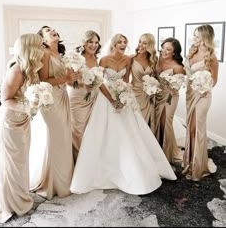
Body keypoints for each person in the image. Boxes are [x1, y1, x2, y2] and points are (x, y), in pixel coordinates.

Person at [70, 33, 176, 196]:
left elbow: (126, 81)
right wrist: (112, 99)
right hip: (106, 98)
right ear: (113, 43)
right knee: (105, 133)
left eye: (125, 42)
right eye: (119, 41)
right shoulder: (103, 60)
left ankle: (135, 168)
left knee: (130, 133)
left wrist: (124, 96)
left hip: (124, 97)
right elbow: (99, 82)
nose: (122, 44)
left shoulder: (128, 59)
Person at [0, 34, 44, 223]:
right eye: (40, 45)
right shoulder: (17, 71)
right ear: (30, 48)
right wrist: (28, 107)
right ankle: (10, 203)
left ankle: (18, 195)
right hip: (9, 121)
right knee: (12, 163)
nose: (43, 48)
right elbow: (5, 100)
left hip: (22, 119)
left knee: (20, 161)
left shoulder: (33, 68)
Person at [29, 25, 78, 200]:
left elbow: (69, 82)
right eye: (48, 30)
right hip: (50, 100)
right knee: (57, 137)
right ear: (42, 38)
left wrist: (74, 78)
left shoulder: (61, 55)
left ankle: (64, 179)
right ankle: (53, 182)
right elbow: (43, 80)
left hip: (63, 97)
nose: (53, 30)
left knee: (65, 137)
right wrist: (66, 79)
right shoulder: (44, 54)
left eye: (54, 29)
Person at [182, 24, 218, 181]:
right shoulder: (192, 52)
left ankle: (198, 167)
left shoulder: (212, 58)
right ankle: (190, 162)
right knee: (190, 129)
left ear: (205, 38)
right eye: (194, 35)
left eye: (197, 36)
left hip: (203, 96)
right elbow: (186, 73)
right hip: (189, 94)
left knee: (198, 129)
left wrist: (202, 85)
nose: (194, 39)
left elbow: (214, 80)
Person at [68, 30, 102, 162]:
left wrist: (94, 84)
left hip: (93, 97)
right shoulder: (75, 57)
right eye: (90, 42)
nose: (94, 45)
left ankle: (88, 163)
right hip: (77, 98)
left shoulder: (96, 59)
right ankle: (78, 162)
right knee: (78, 131)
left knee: (91, 131)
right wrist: (84, 83)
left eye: (96, 42)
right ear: (84, 43)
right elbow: (69, 80)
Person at [155, 38, 185, 163]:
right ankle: (158, 148)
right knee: (157, 122)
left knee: (166, 121)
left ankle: (168, 152)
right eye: (163, 47)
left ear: (174, 52)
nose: (164, 51)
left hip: (170, 96)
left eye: (168, 49)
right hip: (157, 95)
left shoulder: (177, 67)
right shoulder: (157, 61)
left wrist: (170, 87)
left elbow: (177, 86)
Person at [130, 33, 158, 133]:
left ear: (150, 45)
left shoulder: (154, 60)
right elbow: (124, 77)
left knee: (146, 125)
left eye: (144, 43)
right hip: (134, 95)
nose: (140, 45)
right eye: (139, 42)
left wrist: (154, 87)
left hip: (148, 96)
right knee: (135, 123)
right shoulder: (131, 59)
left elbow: (156, 78)